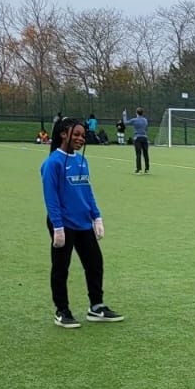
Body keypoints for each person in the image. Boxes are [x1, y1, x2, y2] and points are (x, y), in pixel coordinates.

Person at [41, 117, 123, 328]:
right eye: (76, 134)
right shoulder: (53, 163)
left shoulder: (82, 161)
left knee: (95, 264)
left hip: (83, 223)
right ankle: (62, 310)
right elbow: (51, 198)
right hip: (63, 225)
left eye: (82, 136)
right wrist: (57, 227)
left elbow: (87, 191)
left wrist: (97, 216)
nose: (80, 139)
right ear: (62, 135)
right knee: (61, 268)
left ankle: (96, 306)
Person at [123, 107, 150, 173]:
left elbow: (125, 122)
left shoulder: (134, 120)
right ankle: (147, 169)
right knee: (146, 154)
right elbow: (146, 128)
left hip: (137, 138)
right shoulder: (145, 120)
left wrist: (124, 115)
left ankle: (139, 169)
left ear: (136, 113)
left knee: (138, 154)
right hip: (144, 137)